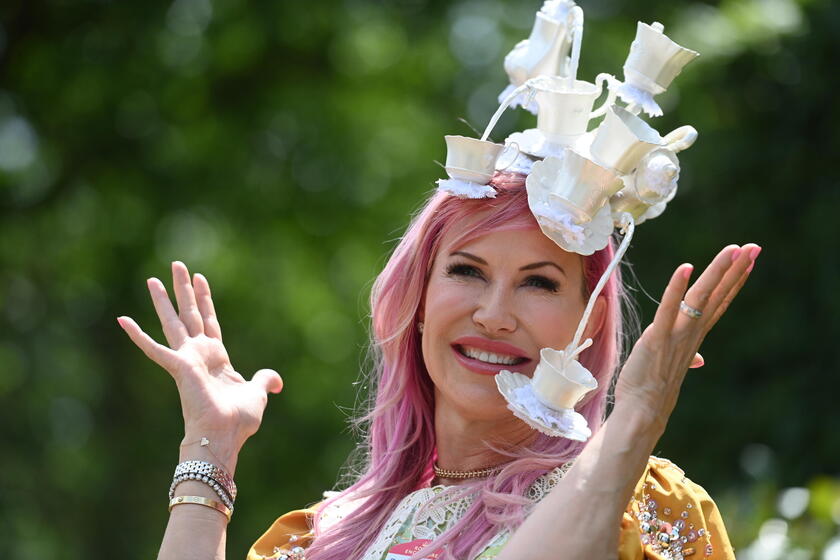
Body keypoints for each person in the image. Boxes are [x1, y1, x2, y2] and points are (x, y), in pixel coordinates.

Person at [118, 169, 759, 559]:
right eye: (466, 272)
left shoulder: (646, 505)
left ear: (587, 324)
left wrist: (637, 418)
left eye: (538, 283)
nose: (494, 314)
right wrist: (211, 449)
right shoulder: (320, 539)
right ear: (419, 299)